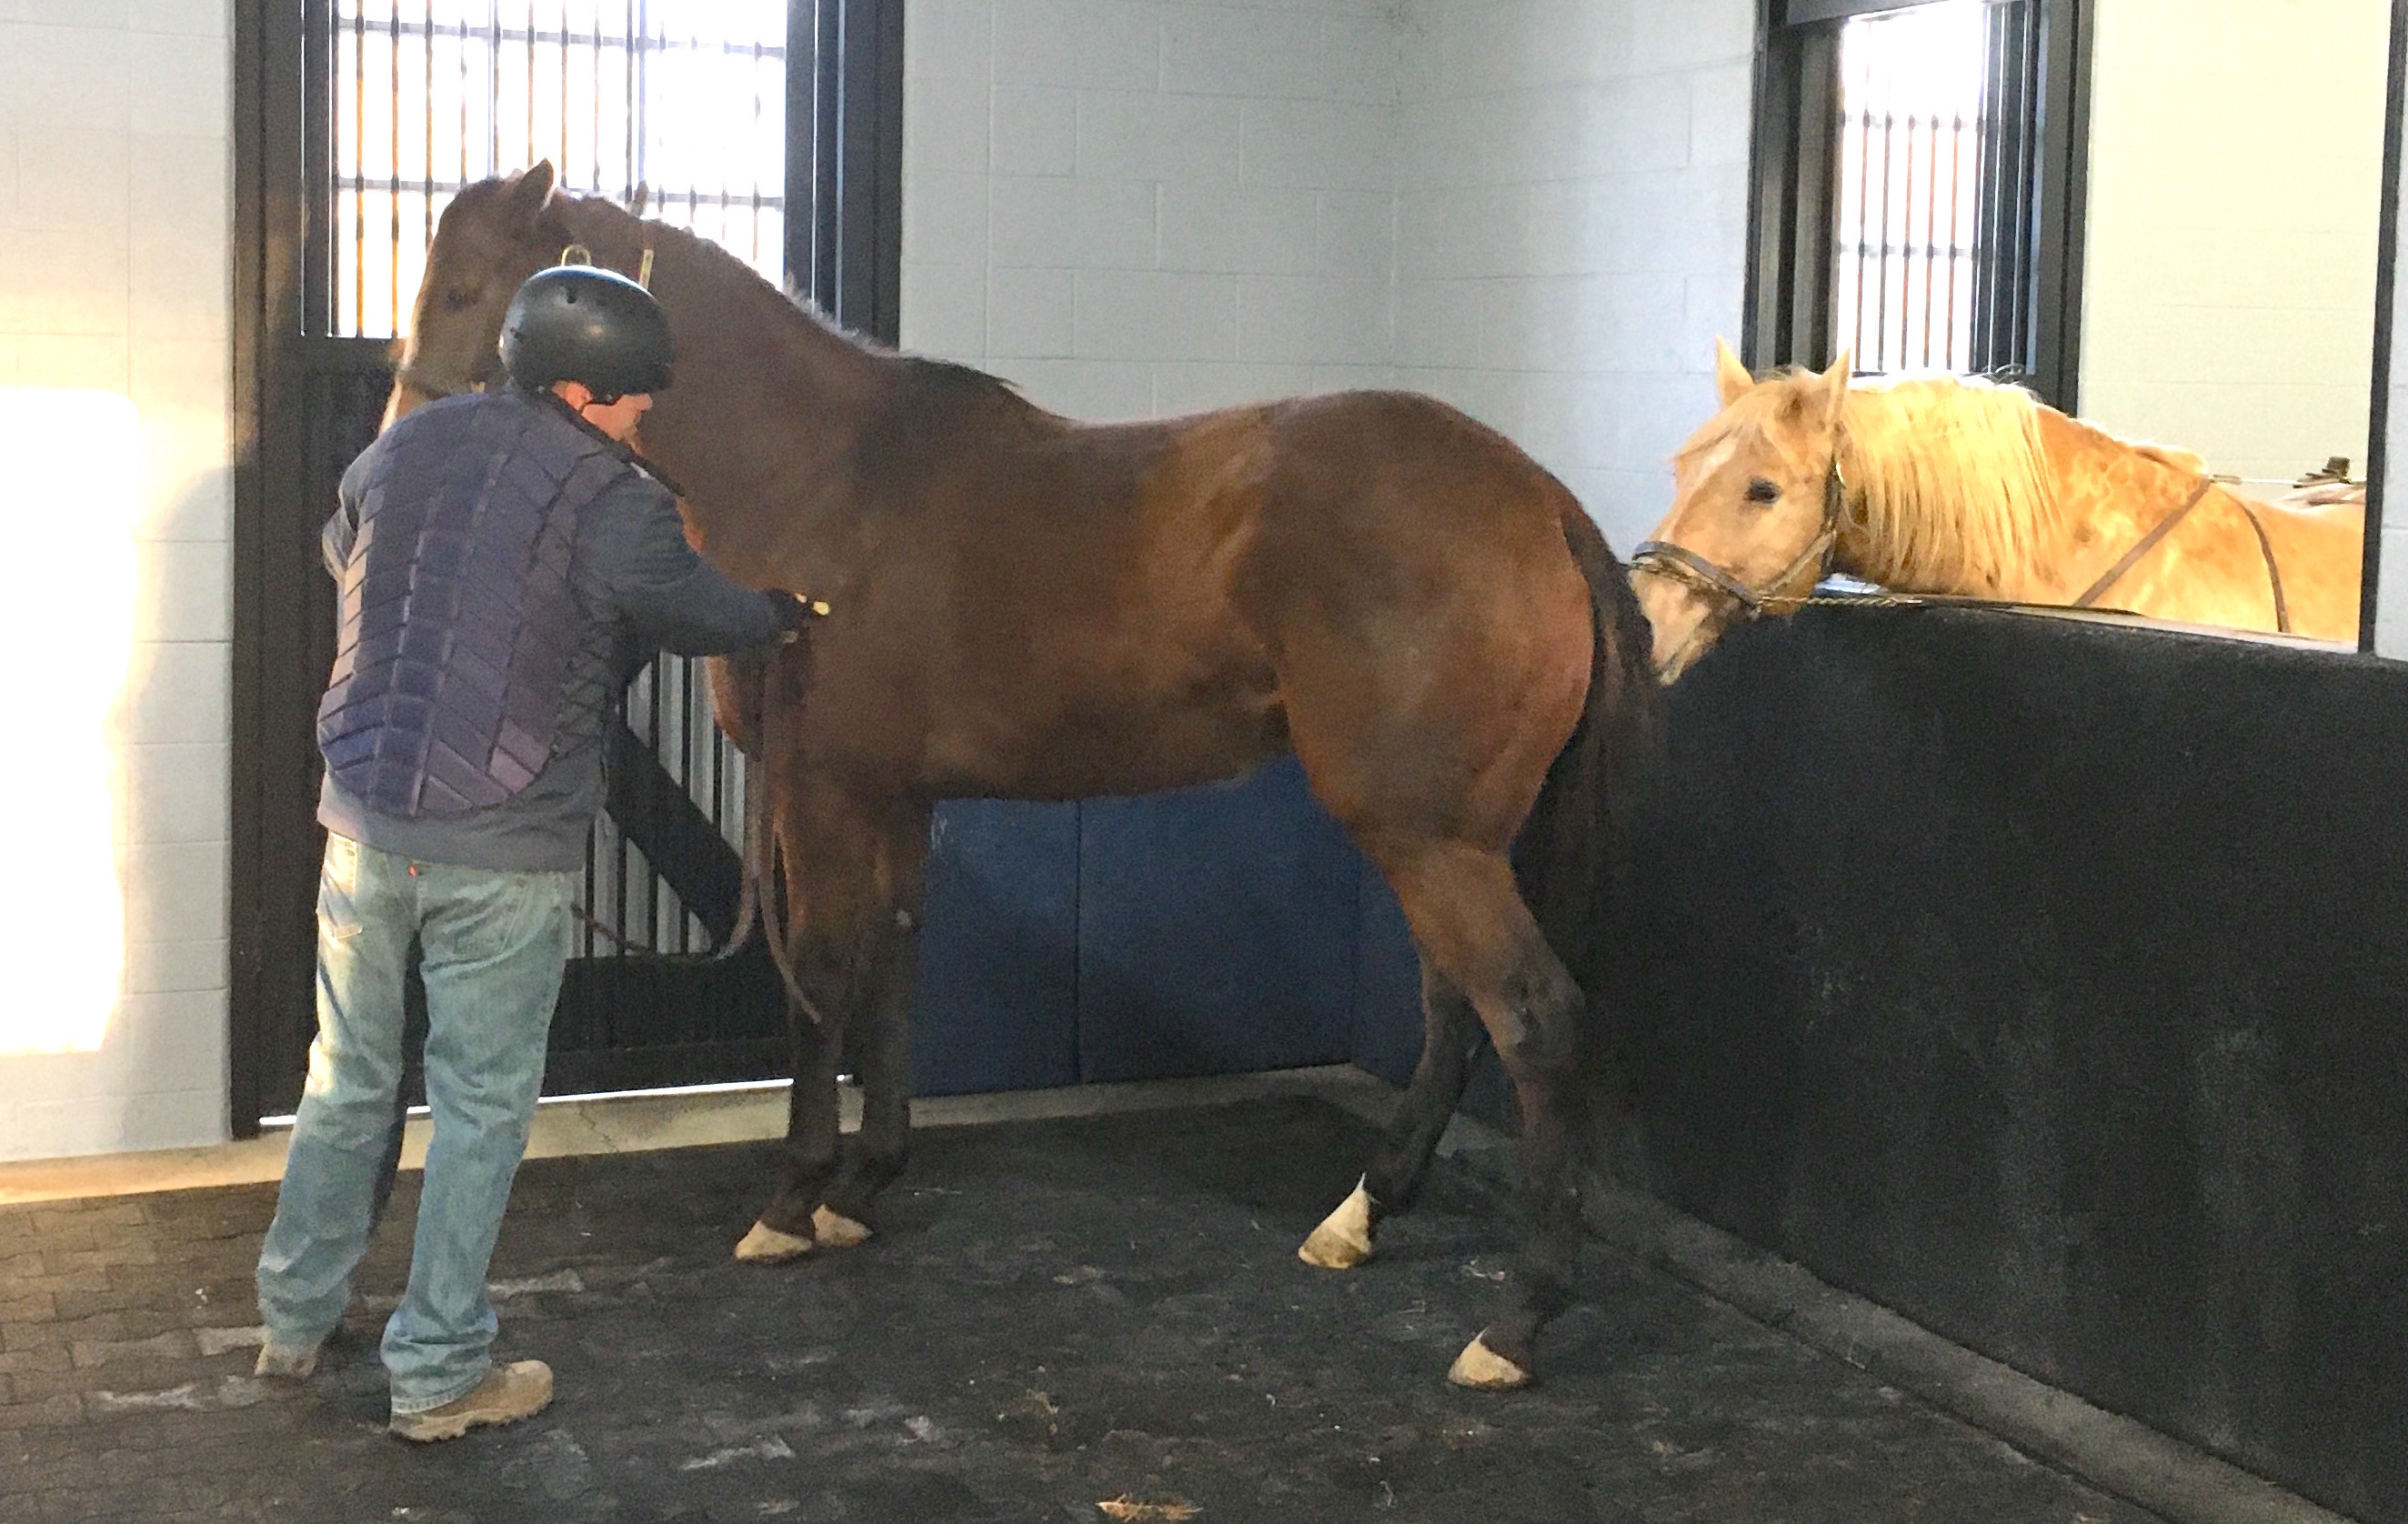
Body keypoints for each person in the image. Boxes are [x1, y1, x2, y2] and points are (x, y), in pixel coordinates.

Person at [253, 265, 816, 1442]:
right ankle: (441, 1372)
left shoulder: (402, 448)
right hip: (500, 848)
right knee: (479, 1106)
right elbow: (696, 609)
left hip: (359, 824)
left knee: (346, 1078)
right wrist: (786, 613)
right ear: (578, 388)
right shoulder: (619, 502)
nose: (646, 413)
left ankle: (294, 1319)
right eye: (631, 397)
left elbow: (341, 552)